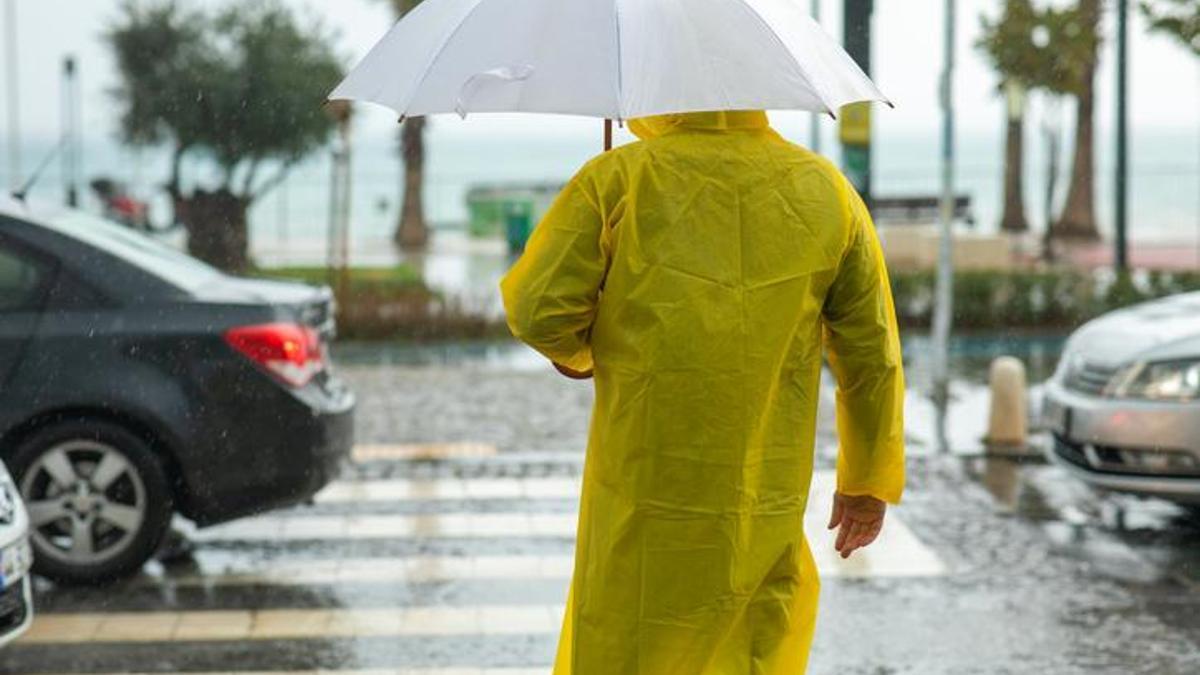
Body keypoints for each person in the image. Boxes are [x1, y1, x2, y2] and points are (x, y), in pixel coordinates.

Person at [500, 110, 905, 674]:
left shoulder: (617, 179)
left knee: (627, 646)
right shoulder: (827, 192)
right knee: (751, 650)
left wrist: (581, 351)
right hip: (762, 501)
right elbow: (871, 353)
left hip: (641, 502)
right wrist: (864, 481)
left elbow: (537, 308)